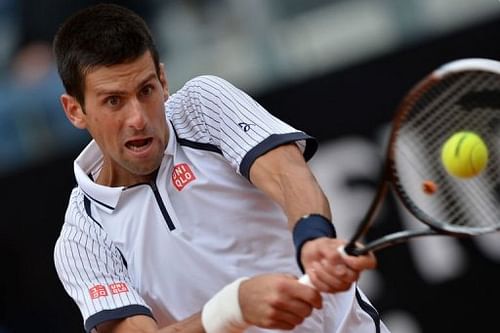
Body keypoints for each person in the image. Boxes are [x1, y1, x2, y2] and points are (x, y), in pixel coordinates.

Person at [52, 3, 390, 333]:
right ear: (75, 111)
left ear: (164, 80)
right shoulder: (82, 239)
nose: (138, 118)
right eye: (114, 101)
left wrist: (312, 237)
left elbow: (287, 173)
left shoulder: (202, 105)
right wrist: (233, 308)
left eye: (147, 90)